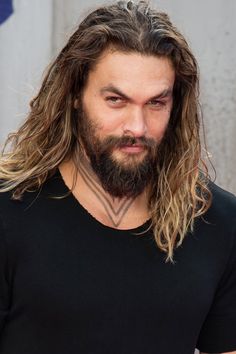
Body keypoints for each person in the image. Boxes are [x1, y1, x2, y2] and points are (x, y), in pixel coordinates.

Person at [0, 1, 235, 353]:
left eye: (156, 103)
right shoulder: (9, 210)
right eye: (116, 100)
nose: (136, 127)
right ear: (74, 95)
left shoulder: (219, 223)